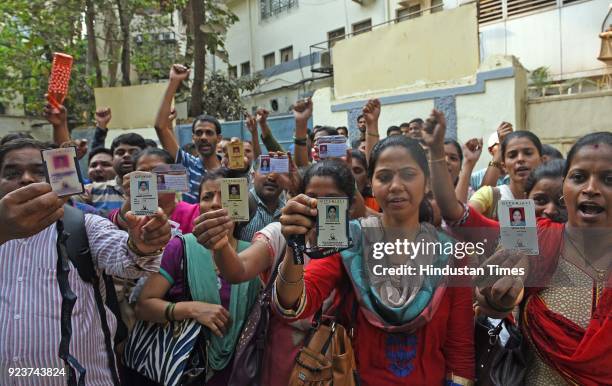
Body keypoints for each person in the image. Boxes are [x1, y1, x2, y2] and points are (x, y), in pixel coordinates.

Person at [274, 128, 474, 385]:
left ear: (427, 184)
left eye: (409, 175)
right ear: (372, 185)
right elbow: (294, 304)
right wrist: (294, 248)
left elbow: (460, 351)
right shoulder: (349, 241)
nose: (396, 186)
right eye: (384, 176)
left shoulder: (452, 254)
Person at [436, 132, 612, 385]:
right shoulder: (533, 237)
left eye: (608, 179)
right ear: (565, 185)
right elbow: (496, 302)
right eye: (579, 177)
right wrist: (494, 300)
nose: (591, 189)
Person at [0, 138, 171, 386]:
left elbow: (128, 257)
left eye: (39, 172)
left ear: (57, 179)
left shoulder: (83, 225)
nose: (26, 179)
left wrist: (142, 244)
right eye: (12, 173)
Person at [194, 158, 365, 386]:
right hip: (282, 356)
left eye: (330, 201)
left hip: (339, 355)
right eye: (312, 198)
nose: (319, 208)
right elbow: (238, 270)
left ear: (348, 206)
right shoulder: (279, 233)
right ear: (299, 197)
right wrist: (221, 246)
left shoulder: (360, 241)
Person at [136, 169, 261, 386]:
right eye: (207, 197)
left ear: (241, 206)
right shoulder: (181, 247)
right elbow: (144, 305)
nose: (215, 204)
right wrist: (193, 309)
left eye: (226, 196)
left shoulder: (256, 254)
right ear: (198, 206)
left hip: (241, 371)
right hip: (187, 368)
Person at [154, 64, 223, 203]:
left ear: (219, 138)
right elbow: (160, 127)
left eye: (209, 133)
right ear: (193, 138)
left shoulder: (231, 171)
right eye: (199, 133)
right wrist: (174, 82)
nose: (203, 137)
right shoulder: (186, 165)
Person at [112, 148, 200, 235]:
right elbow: (119, 225)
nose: (150, 178)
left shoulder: (195, 213)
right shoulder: (125, 215)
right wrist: (133, 196)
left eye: (158, 172)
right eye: (142, 173)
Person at [469, 130, 543, 219]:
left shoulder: (553, 197)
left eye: (528, 153)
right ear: (504, 166)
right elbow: (462, 220)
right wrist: (467, 164)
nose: (520, 159)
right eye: (512, 155)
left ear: (542, 161)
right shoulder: (489, 195)